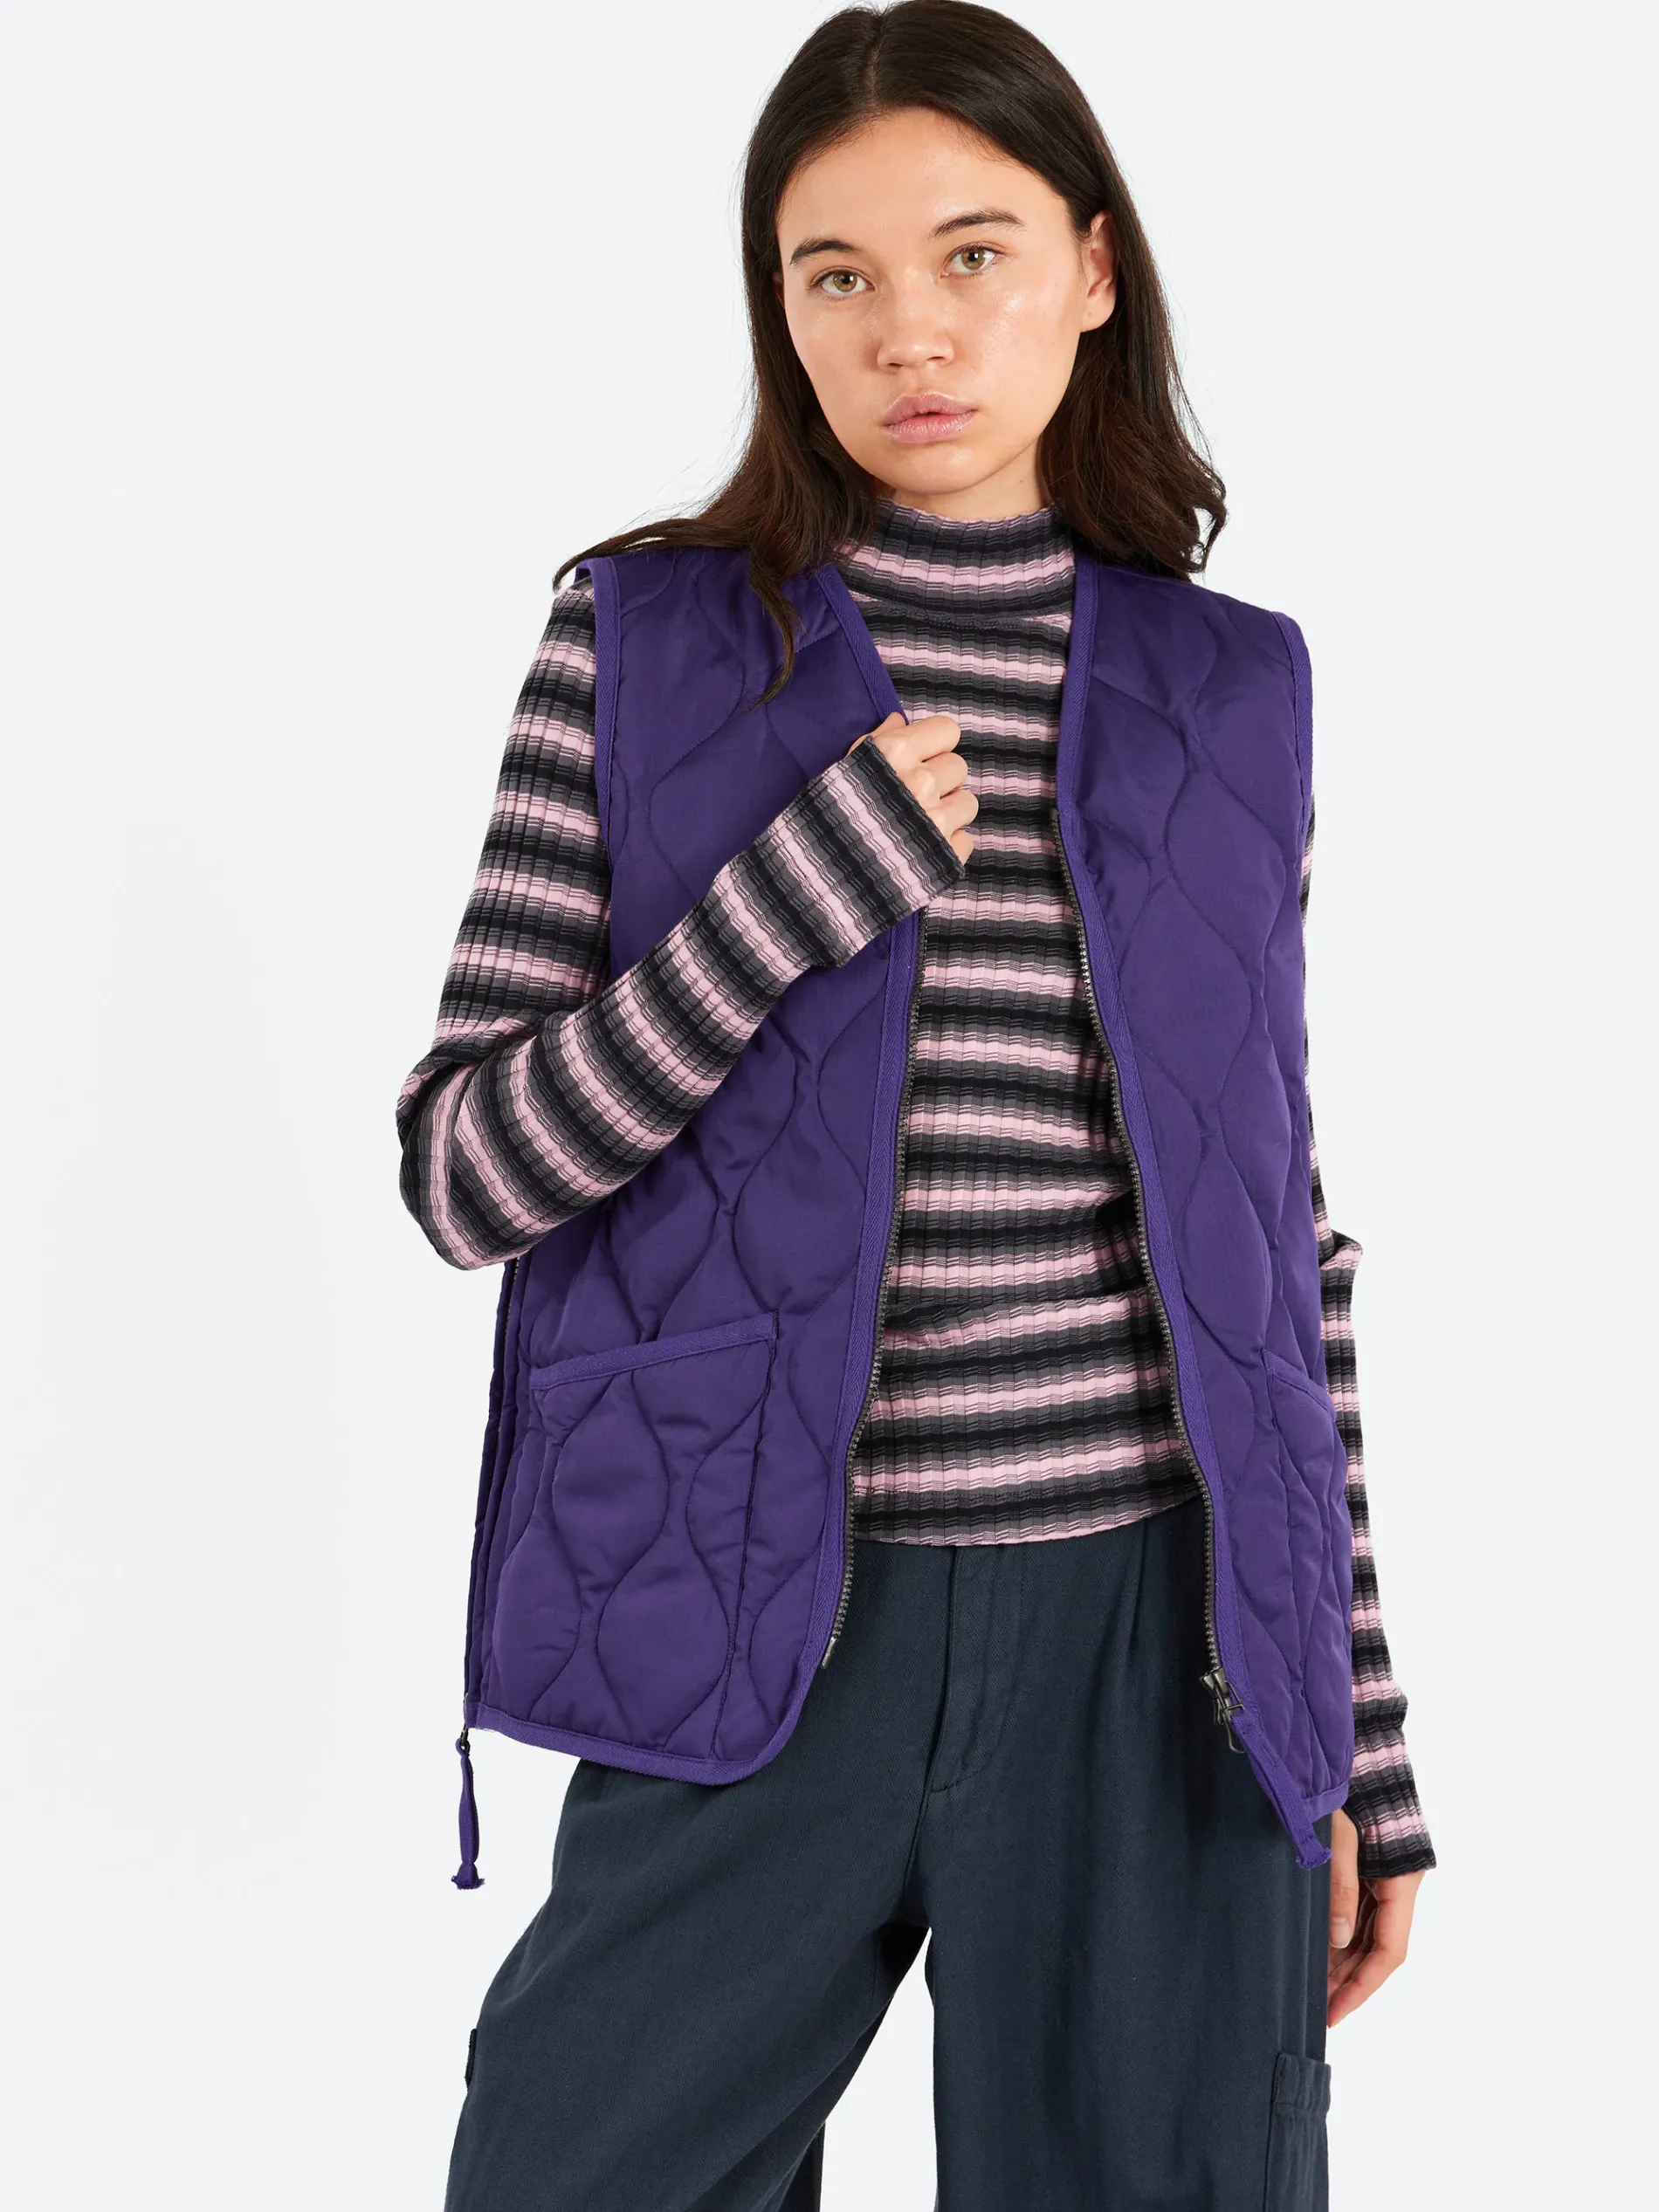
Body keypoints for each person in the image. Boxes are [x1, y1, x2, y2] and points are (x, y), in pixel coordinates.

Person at [394, 5, 1435, 2205]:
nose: (909, 333)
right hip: (757, 1619)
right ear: (776, 308)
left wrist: (1357, 1733)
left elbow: (1273, 1249)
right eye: (834, 274)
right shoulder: (640, 646)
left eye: (972, 255)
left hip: (1160, 1651)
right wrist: (783, 908)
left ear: (1090, 265)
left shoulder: (1229, 688)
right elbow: (465, 1169)